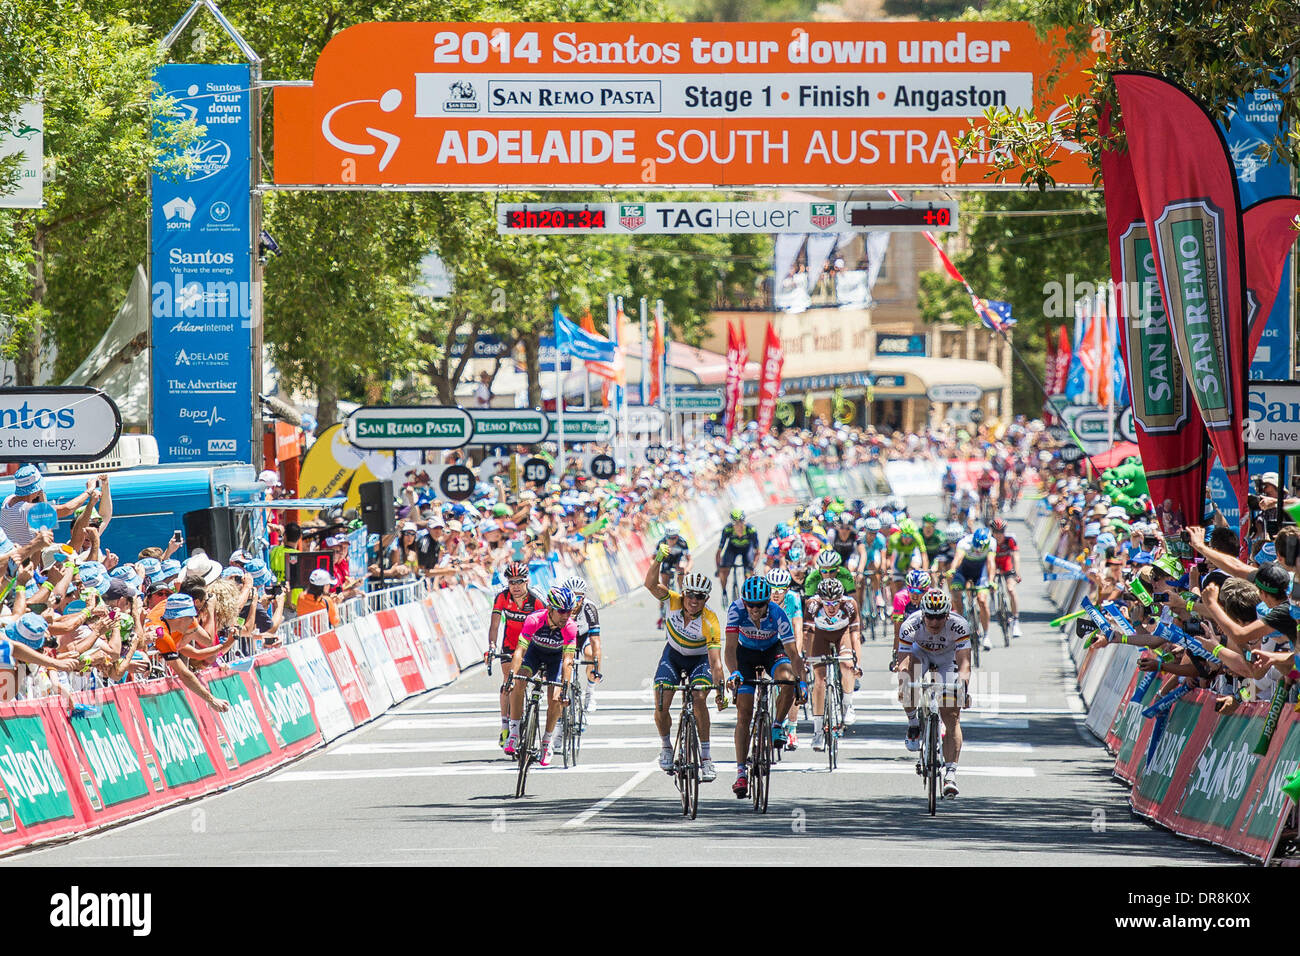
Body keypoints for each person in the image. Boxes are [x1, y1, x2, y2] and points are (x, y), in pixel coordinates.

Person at [643, 558, 724, 783]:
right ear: (684, 593)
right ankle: (666, 746)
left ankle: (706, 758)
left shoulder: (710, 621)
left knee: (699, 697)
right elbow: (650, 584)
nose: (693, 601)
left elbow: (716, 662)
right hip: (673, 656)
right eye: (690, 594)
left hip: (699, 660)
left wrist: (720, 693)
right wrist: (658, 559)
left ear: (706, 599)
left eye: (700, 597)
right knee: (661, 699)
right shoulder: (673, 601)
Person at [724, 575, 805, 798]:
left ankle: (778, 724)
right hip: (745, 655)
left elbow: (793, 653)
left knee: (787, 679)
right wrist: (734, 672)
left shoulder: (778, 614)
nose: (754, 609)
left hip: (772, 651)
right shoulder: (736, 610)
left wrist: (802, 682)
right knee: (744, 714)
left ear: (767, 602)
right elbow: (730, 649)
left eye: (760, 604)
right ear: (744, 602)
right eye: (750, 604)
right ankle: (741, 772)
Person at [896, 588, 972, 798]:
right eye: (929, 616)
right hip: (920, 654)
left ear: (947, 615)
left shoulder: (959, 625)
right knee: (907, 681)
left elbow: (965, 663)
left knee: (951, 716)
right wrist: (904, 683)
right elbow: (903, 661)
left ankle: (950, 775)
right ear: (922, 614)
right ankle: (913, 723)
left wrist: (963, 688)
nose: (934, 621)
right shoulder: (910, 624)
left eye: (939, 617)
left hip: (948, 659)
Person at [504, 585, 578, 768]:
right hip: (534, 654)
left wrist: (565, 689)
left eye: (569, 611)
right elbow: (520, 651)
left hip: (556, 660)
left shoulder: (570, 627)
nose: (566, 615)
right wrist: (511, 678)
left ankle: (547, 741)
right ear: (551, 609)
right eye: (561, 611)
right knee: (519, 682)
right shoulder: (534, 619)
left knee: (556, 697)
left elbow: (568, 660)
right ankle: (514, 732)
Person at [486, 561, 543, 746]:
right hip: (510, 644)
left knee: (529, 680)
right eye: (511, 582)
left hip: (532, 645)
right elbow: (495, 625)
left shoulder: (536, 600)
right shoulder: (502, 597)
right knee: (507, 683)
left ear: (527, 581)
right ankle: (505, 728)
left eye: (519, 581)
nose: (516, 586)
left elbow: (545, 627)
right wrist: (492, 646)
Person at [805, 577, 861, 751]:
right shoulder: (812, 605)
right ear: (821, 600)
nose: (831, 607)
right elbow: (808, 634)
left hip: (842, 634)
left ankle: (847, 704)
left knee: (847, 666)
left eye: (835, 603)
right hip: (820, 635)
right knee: (819, 681)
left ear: (841, 599)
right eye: (827, 602)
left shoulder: (850, 605)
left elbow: (855, 635)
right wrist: (807, 659)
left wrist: (857, 663)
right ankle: (818, 732)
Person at [560, 575, 602, 712]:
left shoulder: (589, 607)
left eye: (578, 598)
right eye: (571, 596)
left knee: (591, 654)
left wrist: (596, 665)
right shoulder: (559, 606)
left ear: (583, 598)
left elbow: (595, 640)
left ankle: (590, 692)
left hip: (583, 637)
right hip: (566, 638)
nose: (574, 602)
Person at [949, 526, 995, 650]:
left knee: (982, 601)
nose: (979, 550)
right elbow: (958, 558)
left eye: (982, 548)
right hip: (964, 570)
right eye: (977, 546)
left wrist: (991, 581)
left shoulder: (992, 542)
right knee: (956, 592)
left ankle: (986, 635)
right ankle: (962, 623)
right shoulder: (964, 542)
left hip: (980, 572)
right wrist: (952, 570)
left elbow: (991, 562)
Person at [653, 522, 691, 628]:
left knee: (682, 568)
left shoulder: (682, 542)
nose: (671, 540)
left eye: (674, 538)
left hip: (678, 560)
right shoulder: (662, 542)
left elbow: (690, 560)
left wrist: (687, 570)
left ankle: (681, 591)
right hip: (667, 560)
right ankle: (662, 613)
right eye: (669, 538)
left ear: (677, 536)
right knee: (663, 585)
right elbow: (653, 558)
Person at [990, 518, 1023, 638]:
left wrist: (1016, 573)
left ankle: (1015, 621)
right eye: (996, 532)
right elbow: (986, 561)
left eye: (1001, 531)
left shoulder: (1010, 540)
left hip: (1006, 564)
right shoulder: (989, 541)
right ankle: (992, 597)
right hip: (993, 564)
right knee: (989, 580)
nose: (998, 535)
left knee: (1010, 589)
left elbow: (1016, 557)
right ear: (992, 531)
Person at [716, 509, 759, 599]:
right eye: (736, 523)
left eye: (741, 522)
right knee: (723, 571)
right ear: (732, 524)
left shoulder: (751, 530)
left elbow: (757, 552)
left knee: (748, 574)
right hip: (732, 548)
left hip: (747, 548)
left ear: (744, 521)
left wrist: (753, 567)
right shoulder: (727, 529)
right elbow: (719, 551)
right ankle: (724, 592)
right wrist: (719, 568)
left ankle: (747, 595)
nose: (739, 525)